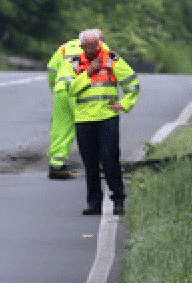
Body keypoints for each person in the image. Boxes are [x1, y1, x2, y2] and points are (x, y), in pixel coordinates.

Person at [53, 29, 139, 216]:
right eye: (89, 46)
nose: (93, 49)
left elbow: (132, 84)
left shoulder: (112, 59)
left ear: (99, 43)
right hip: (84, 120)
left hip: (107, 118)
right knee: (90, 164)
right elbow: (71, 90)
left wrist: (124, 104)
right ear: (82, 46)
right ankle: (94, 203)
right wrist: (88, 73)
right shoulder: (73, 63)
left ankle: (118, 200)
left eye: (96, 45)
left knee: (110, 160)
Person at [44, 36, 106, 179]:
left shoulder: (65, 47)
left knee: (61, 127)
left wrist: (55, 88)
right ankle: (101, 164)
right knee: (92, 125)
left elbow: (51, 70)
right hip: (81, 90)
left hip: (61, 90)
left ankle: (56, 165)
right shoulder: (100, 47)